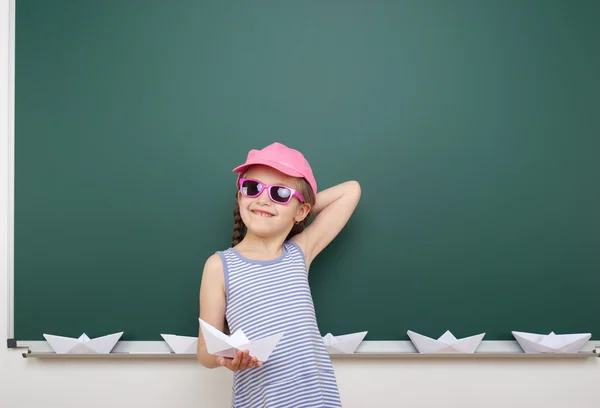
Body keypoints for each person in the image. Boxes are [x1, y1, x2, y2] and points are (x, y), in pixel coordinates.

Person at [197, 142, 361, 407]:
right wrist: (224, 359)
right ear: (240, 197)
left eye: (280, 193)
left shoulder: (298, 253)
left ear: (302, 211)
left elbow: (351, 190)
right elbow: (204, 351)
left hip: (317, 401)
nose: (263, 199)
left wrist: (300, 207)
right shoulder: (219, 265)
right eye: (252, 188)